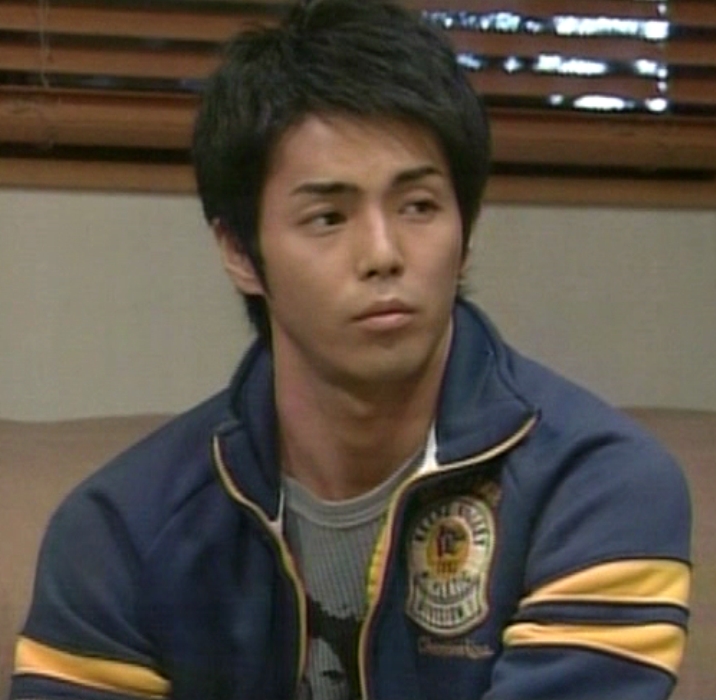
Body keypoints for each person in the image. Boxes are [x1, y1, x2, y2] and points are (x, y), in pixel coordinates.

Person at [10, 1, 691, 699]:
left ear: (466, 229)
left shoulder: (597, 486)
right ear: (239, 251)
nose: (384, 254)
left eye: (419, 206)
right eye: (328, 217)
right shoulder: (121, 529)